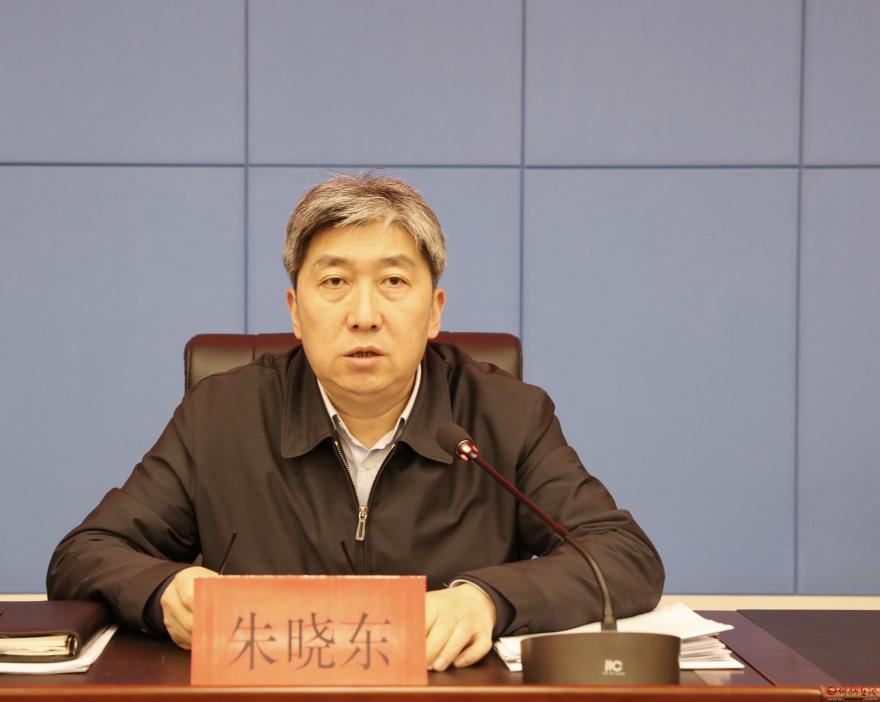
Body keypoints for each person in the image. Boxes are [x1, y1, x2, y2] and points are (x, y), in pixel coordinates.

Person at [47, 174, 664, 671]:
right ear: (295, 311)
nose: (364, 314)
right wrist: (165, 591)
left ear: (434, 311)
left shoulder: (506, 416)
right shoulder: (221, 416)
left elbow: (623, 555)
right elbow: (84, 554)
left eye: (393, 281)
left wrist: (488, 599)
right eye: (335, 282)